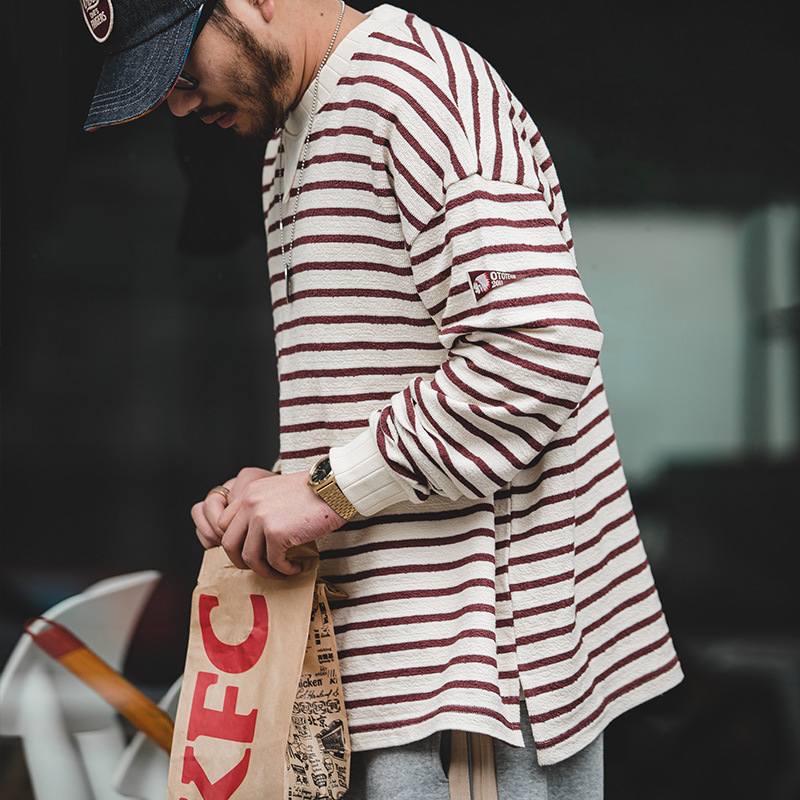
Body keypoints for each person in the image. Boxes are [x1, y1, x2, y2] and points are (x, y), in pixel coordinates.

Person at [82, 0, 683, 796]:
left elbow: (539, 348)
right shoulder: (298, 125)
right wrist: (281, 491)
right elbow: (392, 398)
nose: (178, 103)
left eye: (180, 68)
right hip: (401, 680)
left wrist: (325, 490)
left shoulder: (413, 90)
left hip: (474, 688)